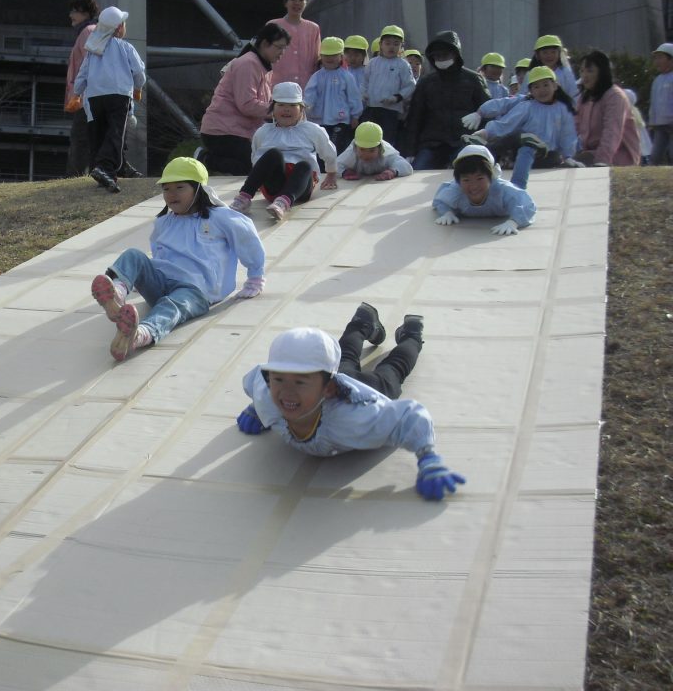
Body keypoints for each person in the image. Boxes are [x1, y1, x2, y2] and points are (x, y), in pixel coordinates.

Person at [236, 327, 465, 501]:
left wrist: (428, 457)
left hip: (369, 388)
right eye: (278, 379)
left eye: (299, 382)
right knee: (345, 360)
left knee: (393, 368)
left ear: (329, 388)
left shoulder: (356, 418)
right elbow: (256, 377)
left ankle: (412, 333)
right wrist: (256, 410)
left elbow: (409, 414)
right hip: (332, 381)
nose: (286, 392)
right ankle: (362, 321)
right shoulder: (266, 394)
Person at [90, 157, 265, 361]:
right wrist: (141, 278)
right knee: (133, 255)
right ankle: (117, 295)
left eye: (179, 187)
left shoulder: (220, 217)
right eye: (166, 189)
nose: (171, 194)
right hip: (163, 282)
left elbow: (247, 240)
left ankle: (140, 334)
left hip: (195, 291)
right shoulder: (164, 222)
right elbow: (159, 254)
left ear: (199, 189)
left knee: (171, 306)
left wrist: (256, 275)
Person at [228, 81, 337, 220]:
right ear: (273, 108)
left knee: (305, 165)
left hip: (301, 187)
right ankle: (243, 198)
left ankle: (283, 203)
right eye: (281, 105)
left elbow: (328, 150)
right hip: (274, 184)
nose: (287, 109)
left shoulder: (312, 130)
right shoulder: (263, 132)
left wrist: (331, 173)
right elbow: (256, 157)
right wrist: (256, 181)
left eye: (292, 106)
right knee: (273, 154)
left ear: (302, 108)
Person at [466, 66, 579, 189]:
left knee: (555, 157)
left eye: (546, 85)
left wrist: (568, 156)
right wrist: (486, 132)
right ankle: (514, 183)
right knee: (523, 146)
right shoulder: (528, 106)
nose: (542, 90)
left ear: (555, 86)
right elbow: (507, 123)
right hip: (523, 149)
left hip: (545, 153)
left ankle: (509, 162)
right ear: (530, 90)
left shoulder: (562, 109)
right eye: (536, 87)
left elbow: (567, 135)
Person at [73, 5, 146, 193]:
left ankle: (105, 175)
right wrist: (138, 86)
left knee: (99, 132)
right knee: (115, 132)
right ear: (119, 27)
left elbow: (82, 74)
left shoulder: (93, 49)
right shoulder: (126, 47)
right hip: (119, 95)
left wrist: (77, 93)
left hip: (95, 96)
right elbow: (139, 72)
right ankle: (105, 168)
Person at [199, 23, 289, 175]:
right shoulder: (248, 63)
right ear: (265, 44)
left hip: (236, 131)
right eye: (279, 47)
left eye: (284, 48)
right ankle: (205, 158)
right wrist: (277, 110)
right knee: (253, 167)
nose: (282, 53)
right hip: (222, 132)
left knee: (261, 164)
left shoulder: (261, 65)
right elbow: (247, 104)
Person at [404, 30, 490, 169]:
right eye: (437, 56)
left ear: (456, 54)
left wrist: (483, 131)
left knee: (469, 172)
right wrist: (410, 151)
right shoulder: (426, 83)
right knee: (417, 173)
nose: (441, 59)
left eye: (445, 55)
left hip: (465, 141)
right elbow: (415, 118)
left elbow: (489, 110)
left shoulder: (473, 79)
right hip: (432, 143)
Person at [432, 144, 536, 235]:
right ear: (458, 181)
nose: (474, 186)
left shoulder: (503, 190)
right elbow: (440, 201)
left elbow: (527, 205)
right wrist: (447, 213)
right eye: (466, 180)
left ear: (491, 177)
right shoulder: (455, 190)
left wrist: (514, 222)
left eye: (480, 178)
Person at [573, 49, 640, 167]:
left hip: (618, 155)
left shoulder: (614, 96)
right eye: (582, 71)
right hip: (590, 153)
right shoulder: (584, 98)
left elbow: (612, 132)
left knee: (582, 161)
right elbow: (573, 128)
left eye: (590, 71)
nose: (584, 75)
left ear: (602, 72)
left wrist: (601, 161)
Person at [303, 36, 363, 153]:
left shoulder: (346, 76)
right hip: (319, 119)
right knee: (319, 147)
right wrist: (307, 107)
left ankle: (337, 169)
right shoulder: (317, 76)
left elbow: (354, 97)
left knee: (337, 147)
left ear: (341, 57)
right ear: (321, 56)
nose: (329, 58)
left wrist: (355, 115)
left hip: (340, 119)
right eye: (326, 55)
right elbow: (310, 93)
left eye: (333, 55)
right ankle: (322, 169)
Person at [360, 25, 415, 146]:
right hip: (371, 108)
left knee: (387, 141)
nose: (391, 47)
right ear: (381, 44)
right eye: (388, 43)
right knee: (367, 139)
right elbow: (364, 81)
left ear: (401, 46)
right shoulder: (373, 63)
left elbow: (410, 86)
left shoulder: (403, 65)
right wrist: (363, 93)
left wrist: (397, 97)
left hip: (391, 111)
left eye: (396, 44)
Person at [64, 0, 99, 178]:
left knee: (80, 137)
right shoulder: (88, 31)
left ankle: (75, 176)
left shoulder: (87, 32)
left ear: (85, 13)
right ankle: (87, 173)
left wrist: (78, 92)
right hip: (88, 95)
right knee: (87, 137)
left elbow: (89, 64)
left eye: (74, 11)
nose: (71, 15)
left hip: (86, 95)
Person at [268, 0, 321, 90]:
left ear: (306, 2)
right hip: (277, 88)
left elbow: (317, 58)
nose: (297, 3)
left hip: (306, 89)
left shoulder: (313, 28)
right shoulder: (273, 25)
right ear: (285, 2)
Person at [331, 121, 412, 183]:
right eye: (362, 149)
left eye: (372, 150)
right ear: (355, 147)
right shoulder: (351, 153)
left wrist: (393, 171)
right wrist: (344, 172)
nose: (366, 154)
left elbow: (407, 167)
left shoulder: (387, 154)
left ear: (380, 148)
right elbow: (334, 165)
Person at [523, 35, 577, 99]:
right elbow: (524, 95)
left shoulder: (565, 72)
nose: (549, 55)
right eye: (545, 52)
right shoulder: (530, 74)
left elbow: (574, 94)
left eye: (553, 52)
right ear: (538, 55)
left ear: (559, 53)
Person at [648, 42, 673, 165]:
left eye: (660, 58)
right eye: (655, 58)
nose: (656, 61)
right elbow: (654, 103)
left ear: (671, 59)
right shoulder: (656, 80)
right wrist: (652, 121)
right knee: (656, 153)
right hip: (660, 124)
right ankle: (653, 173)